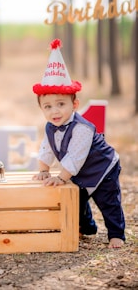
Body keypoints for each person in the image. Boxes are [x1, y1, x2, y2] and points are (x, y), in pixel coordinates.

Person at [32, 38, 125, 249]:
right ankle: (88, 227)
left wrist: (61, 178)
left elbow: (76, 155)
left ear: (75, 104)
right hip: (79, 171)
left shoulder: (82, 128)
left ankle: (116, 234)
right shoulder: (50, 126)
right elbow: (47, 148)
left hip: (102, 167)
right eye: (47, 106)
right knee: (76, 200)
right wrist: (44, 170)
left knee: (108, 201)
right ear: (41, 109)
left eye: (61, 104)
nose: (54, 111)